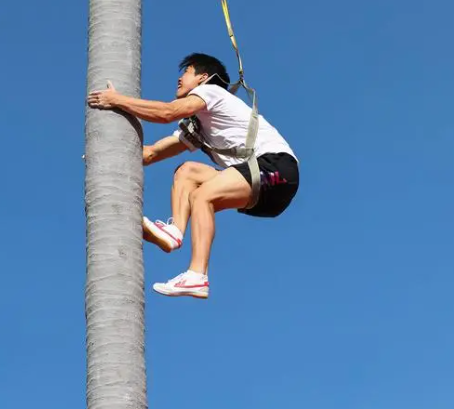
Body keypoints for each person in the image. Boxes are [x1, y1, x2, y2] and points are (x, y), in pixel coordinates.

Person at [87, 52, 299, 300]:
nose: (179, 79)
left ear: (203, 78)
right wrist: (106, 153)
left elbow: (167, 113)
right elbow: (151, 154)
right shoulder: (199, 126)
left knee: (202, 196)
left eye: (186, 72)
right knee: (187, 171)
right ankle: (174, 232)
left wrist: (118, 100)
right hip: (262, 185)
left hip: (277, 167)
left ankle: (197, 276)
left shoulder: (212, 93)